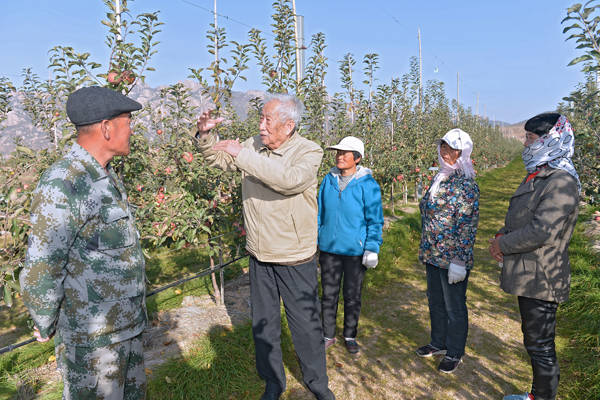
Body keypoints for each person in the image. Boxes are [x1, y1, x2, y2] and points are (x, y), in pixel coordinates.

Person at [192, 93, 335, 400]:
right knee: (264, 322)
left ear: (288, 125)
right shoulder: (254, 146)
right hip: (259, 252)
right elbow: (219, 158)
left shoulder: (308, 151)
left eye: (267, 120)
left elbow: (289, 180)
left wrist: (241, 155)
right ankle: (273, 381)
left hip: (294, 255)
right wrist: (205, 136)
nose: (261, 126)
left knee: (305, 326)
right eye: (260, 118)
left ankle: (317, 384)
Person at [19, 86, 147, 399]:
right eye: (128, 122)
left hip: (126, 328)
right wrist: (45, 320)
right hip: (92, 341)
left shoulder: (105, 176)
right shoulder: (65, 182)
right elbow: (42, 264)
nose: (132, 130)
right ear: (106, 128)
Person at [489, 113, 580, 400]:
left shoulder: (561, 181)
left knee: (541, 346)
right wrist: (502, 235)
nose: (525, 143)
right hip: (530, 274)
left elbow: (541, 230)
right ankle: (536, 395)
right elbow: (522, 217)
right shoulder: (541, 174)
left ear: (550, 139)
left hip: (543, 276)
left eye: (530, 138)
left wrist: (503, 244)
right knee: (534, 341)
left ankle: (543, 398)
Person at [415, 128, 480, 374]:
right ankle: (438, 342)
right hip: (433, 253)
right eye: (443, 146)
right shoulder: (440, 176)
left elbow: (467, 224)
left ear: (462, 152)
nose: (445, 151)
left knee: (455, 306)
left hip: (452, 257)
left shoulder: (466, 183)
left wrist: (459, 261)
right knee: (436, 301)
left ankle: (454, 351)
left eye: (451, 148)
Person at [317, 136, 383, 355]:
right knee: (328, 293)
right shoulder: (328, 179)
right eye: (338, 152)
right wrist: (317, 237)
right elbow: (319, 212)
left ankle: (350, 335)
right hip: (329, 248)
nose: (340, 156)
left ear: (357, 158)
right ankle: (327, 334)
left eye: (345, 153)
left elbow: (375, 219)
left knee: (352, 295)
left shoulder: (368, 184)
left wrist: (372, 247)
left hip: (355, 250)